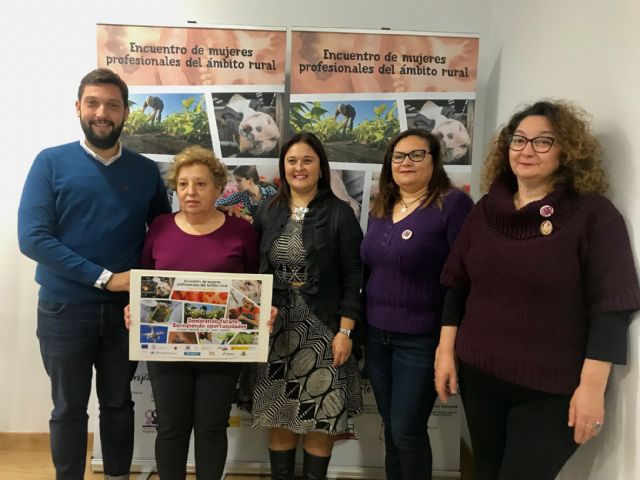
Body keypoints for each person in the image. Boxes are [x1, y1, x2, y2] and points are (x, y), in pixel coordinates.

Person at [434, 100, 640, 480]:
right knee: (487, 471)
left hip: (551, 389)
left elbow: (611, 307)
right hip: (480, 376)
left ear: (567, 151)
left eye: (543, 141)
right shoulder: (485, 210)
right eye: (519, 140)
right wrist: (445, 352)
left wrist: (592, 389)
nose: (527, 150)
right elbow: (457, 284)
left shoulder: (593, 215)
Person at [17, 68, 171, 480]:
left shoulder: (144, 171)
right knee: (68, 407)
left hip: (125, 312)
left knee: (119, 403)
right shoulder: (50, 162)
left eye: (113, 105)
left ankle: (117, 476)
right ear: (78, 108)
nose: (102, 112)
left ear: (126, 113)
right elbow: (33, 238)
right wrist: (105, 277)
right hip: (64, 310)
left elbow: (162, 236)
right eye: (93, 103)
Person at [127, 145, 259, 480]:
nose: (191, 192)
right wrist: (134, 308)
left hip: (223, 349)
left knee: (212, 428)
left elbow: (255, 284)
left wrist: (261, 311)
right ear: (175, 187)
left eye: (200, 184)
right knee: (171, 428)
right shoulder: (159, 227)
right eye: (183, 184)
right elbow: (145, 279)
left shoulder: (241, 230)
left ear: (218, 188)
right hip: (166, 350)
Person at [239, 132, 363, 480]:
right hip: (275, 329)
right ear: (283, 168)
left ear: (321, 167)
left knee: (319, 418)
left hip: (324, 331)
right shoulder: (269, 210)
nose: (299, 167)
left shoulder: (340, 213)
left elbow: (355, 277)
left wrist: (345, 330)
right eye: (292, 161)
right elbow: (254, 268)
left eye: (307, 160)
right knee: (278, 413)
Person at [360, 129, 473, 480]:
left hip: (422, 339)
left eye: (416, 155)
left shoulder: (452, 205)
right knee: (392, 430)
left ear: (435, 160)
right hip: (377, 337)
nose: (405, 162)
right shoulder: (380, 205)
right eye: (397, 156)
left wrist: (447, 344)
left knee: (407, 431)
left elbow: (462, 277)